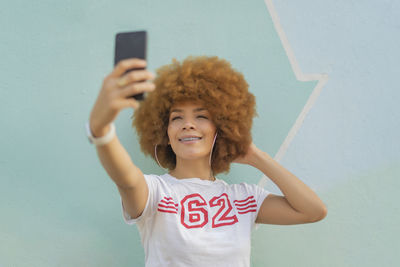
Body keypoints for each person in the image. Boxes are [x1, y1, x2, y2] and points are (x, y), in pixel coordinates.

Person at [86, 56, 327, 267]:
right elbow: (126, 179)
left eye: (201, 116)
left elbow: (313, 211)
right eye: (176, 118)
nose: (188, 124)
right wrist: (100, 130)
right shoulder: (155, 192)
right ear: (165, 133)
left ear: (219, 129)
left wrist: (256, 156)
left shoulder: (243, 198)